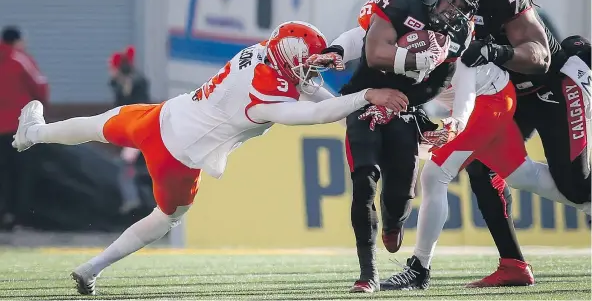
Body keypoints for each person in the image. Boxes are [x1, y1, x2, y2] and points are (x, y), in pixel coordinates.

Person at [12, 21, 406, 296]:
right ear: (288, 58)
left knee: (99, 125)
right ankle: (92, 268)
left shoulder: (260, 53)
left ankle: (35, 133)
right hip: (179, 159)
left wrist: (347, 108)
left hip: (161, 118)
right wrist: (364, 98)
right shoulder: (267, 97)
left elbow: (307, 91)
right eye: (307, 61)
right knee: (165, 218)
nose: (311, 70)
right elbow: (313, 112)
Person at [419, 0, 591, 287]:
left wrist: (498, 52)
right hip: (509, 95)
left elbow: (539, 57)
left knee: (577, 187)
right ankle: (513, 264)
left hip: (553, 87)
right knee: (482, 168)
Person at [314, 0, 481, 293]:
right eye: (451, 0)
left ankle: (393, 222)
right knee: (364, 180)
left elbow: (440, 84)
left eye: (463, 6)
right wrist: (411, 61)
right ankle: (368, 274)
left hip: (405, 107)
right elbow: (372, 49)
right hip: (364, 99)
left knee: (399, 197)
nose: (454, 11)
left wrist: (407, 102)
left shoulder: (459, 33)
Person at [378, 36, 591, 292]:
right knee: (518, 175)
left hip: (502, 98)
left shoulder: (453, 38)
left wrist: (455, 123)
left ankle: (419, 269)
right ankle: (515, 262)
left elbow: (466, 88)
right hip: (498, 97)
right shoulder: (391, 37)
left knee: (435, 175)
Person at [0, 26, 49, 230]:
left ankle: (4, 215)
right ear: (18, 41)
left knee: (4, 174)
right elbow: (40, 86)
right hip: (20, 127)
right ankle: (20, 218)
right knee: (23, 174)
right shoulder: (19, 59)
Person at [108, 46, 151, 214]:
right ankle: (136, 200)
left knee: (126, 166)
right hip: (132, 134)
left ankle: (132, 200)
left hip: (138, 132)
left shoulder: (137, 84)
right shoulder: (119, 86)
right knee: (131, 168)